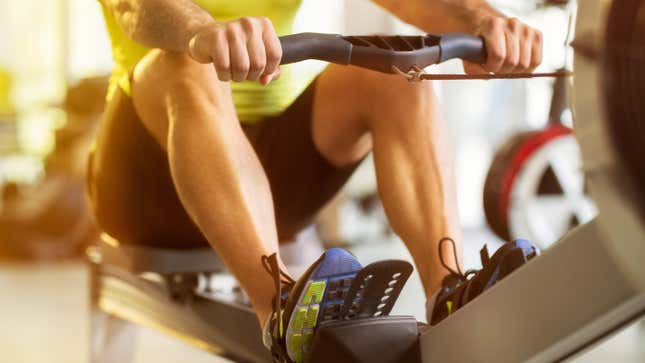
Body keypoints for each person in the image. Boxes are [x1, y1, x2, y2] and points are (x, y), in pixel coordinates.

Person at [89, 0, 543, 361]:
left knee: (398, 73)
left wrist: (482, 19)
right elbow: (134, 6)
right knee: (188, 65)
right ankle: (285, 315)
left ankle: (449, 294)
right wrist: (198, 31)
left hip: (270, 178)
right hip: (146, 182)